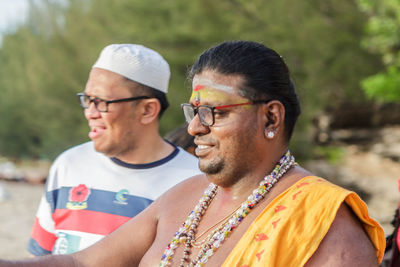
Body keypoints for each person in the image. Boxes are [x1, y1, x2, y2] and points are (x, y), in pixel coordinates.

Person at [2, 40, 385, 266]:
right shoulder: (185, 198)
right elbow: (82, 262)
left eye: (212, 113)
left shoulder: (326, 222)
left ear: (271, 116)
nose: (194, 128)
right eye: (193, 112)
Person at [27, 44, 202, 256]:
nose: (90, 113)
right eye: (88, 100)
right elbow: (41, 256)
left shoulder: (195, 182)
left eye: (101, 102)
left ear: (148, 110)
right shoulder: (68, 165)